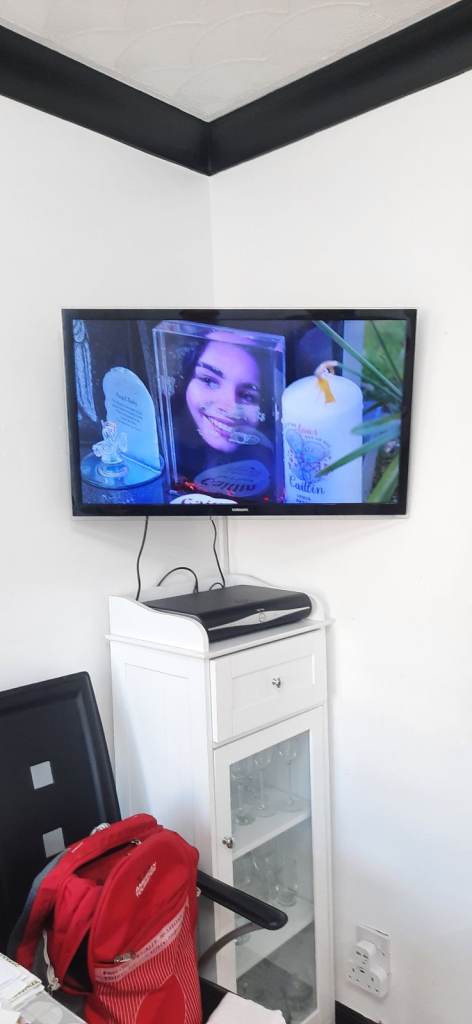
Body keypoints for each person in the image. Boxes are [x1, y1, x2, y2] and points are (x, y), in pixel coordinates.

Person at [170, 334, 275, 498]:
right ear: (184, 381)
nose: (230, 408)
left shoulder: (270, 468)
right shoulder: (166, 456)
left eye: (247, 396)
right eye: (209, 381)